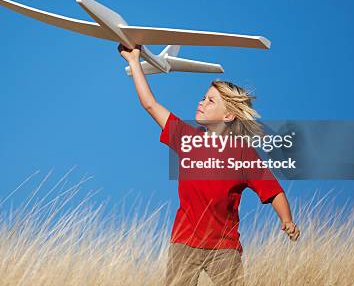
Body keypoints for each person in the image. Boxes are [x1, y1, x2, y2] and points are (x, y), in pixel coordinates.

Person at [118, 44, 300, 286]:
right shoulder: (187, 138)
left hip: (224, 248)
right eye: (203, 97)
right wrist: (133, 62)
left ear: (228, 116)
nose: (202, 102)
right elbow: (150, 104)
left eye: (211, 101)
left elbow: (273, 191)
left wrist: (286, 220)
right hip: (184, 243)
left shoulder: (244, 154)